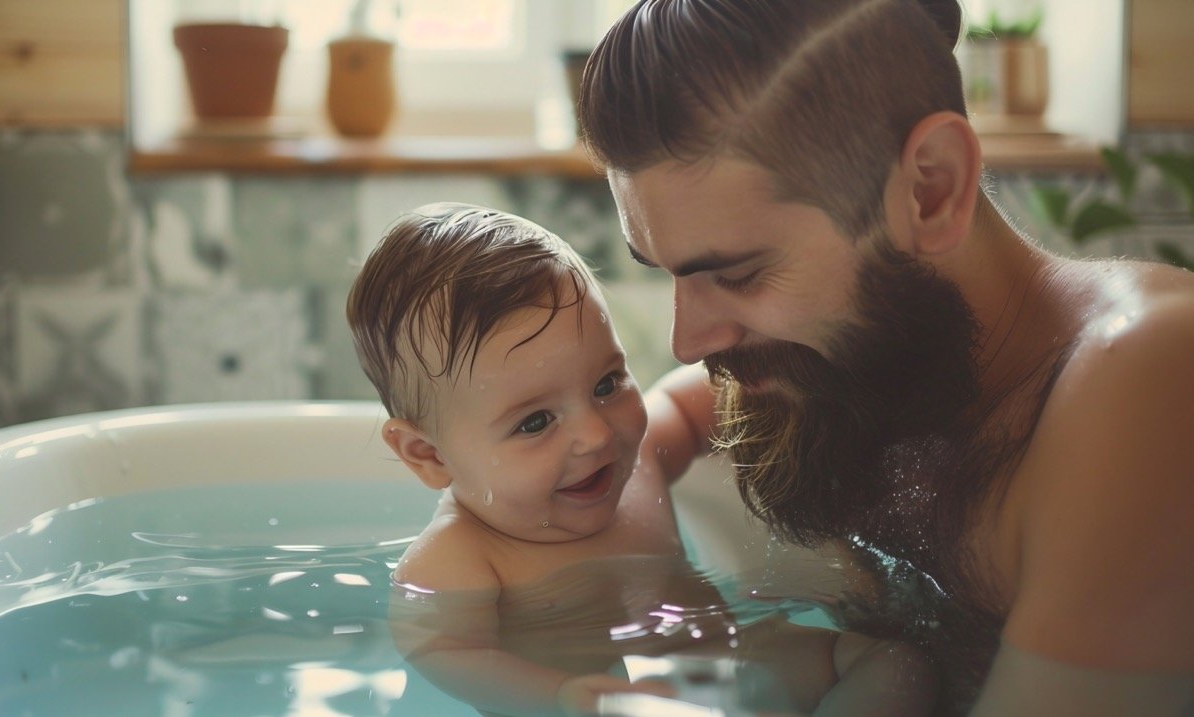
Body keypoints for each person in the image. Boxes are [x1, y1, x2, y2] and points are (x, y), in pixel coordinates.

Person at [575, 0, 1194, 715]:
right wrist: (650, 580)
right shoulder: (851, 367)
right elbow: (660, 421)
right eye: (666, 270)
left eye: (739, 275)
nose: (690, 339)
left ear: (931, 188)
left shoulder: (1150, 374)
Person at [346, 202, 938, 716]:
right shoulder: (460, 560)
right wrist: (573, 698)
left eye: (606, 383)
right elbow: (447, 655)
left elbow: (696, 402)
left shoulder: (639, 465)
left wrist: (813, 379)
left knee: (897, 666)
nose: (595, 435)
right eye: (535, 422)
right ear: (428, 456)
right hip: (600, 706)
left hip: (722, 660)